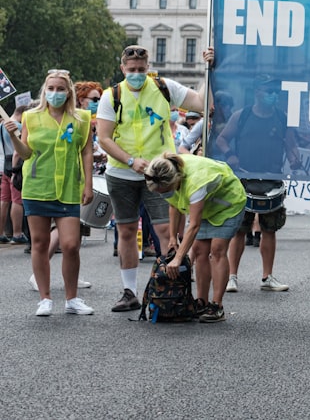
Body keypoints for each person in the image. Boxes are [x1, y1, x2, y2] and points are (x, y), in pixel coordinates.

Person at [96, 45, 210, 312]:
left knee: (165, 231)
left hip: (160, 173)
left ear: (148, 67)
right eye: (131, 70)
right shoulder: (111, 95)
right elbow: (103, 137)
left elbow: (201, 103)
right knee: (125, 230)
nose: (136, 74)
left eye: (141, 69)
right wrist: (131, 161)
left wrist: (208, 70)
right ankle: (129, 291)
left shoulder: (163, 87)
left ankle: (173, 288)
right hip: (123, 172)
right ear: (123, 69)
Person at [4, 70, 94, 316]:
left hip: (68, 189)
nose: (55, 93)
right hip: (37, 187)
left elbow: (86, 153)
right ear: (45, 91)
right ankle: (45, 298)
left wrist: (88, 185)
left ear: (69, 92)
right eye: (51, 88)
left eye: (60, 88)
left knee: (71, 244)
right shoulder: (31, 117)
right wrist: (13, 135)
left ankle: (72, 298)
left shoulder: (82, 118)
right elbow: (25, 153)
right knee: (40, 244)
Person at [215, 74, 302, 293]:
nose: (273, 96)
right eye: (268, 91)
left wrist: (295, 160)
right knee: (240, 230)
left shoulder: (282, 118)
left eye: (276, 92)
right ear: (257, 93)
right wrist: (230, 154)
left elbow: (291, 147)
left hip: (272, 179)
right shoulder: (241, 116)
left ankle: (267, 277)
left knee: (269, 229)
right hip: (243, 179)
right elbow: (221, 139)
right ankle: (232, 277)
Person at [144, 152, 247, 323]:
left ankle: (216, 306)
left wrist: (178, 258)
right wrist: (172, 237)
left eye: (165, 190)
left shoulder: (195, 182)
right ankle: (201, 302)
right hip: (207, 207)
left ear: (175, 180)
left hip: (228, 204)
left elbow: (194, 225)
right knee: (199, 250)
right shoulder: (165, 173)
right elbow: (174, 206)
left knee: (217, 250)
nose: (163, 193)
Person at [1, 104, 29, 245]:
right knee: (17, 200)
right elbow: (19, 149)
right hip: (16, 163)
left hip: (5, 162)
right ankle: (17, 233)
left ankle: (1, 233)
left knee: (4, 200)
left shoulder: (2, 125)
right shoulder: (16, 126)